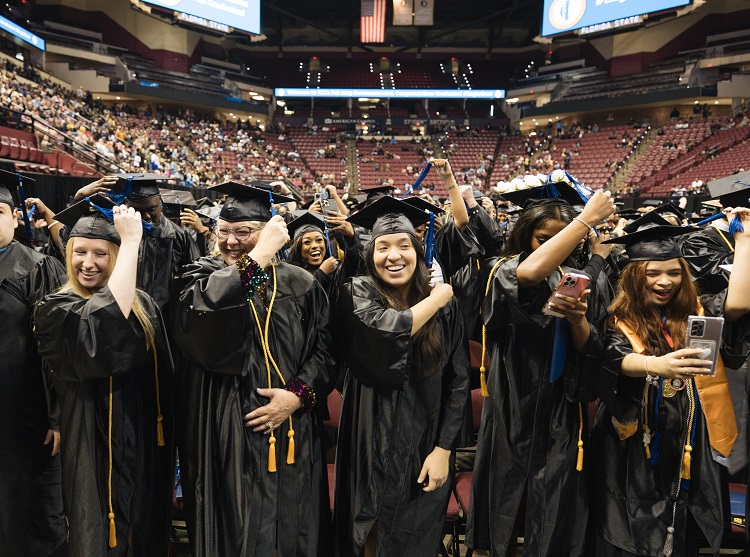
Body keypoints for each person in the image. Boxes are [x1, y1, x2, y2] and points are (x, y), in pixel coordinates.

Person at [172, 182, 334, 557]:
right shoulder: (200, 277)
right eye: (224, 231)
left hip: (291, 429)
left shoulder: (302, 283)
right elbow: (202, 315)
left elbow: (326, 351)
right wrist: (257, 254)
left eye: (243, 232)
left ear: (267, 232)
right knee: (235, 528)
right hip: (224, 426)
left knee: (292, 526)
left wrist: (297, 396)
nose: (231, 241)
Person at [589, 208, 750, 557]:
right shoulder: (618, 318)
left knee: (683, 522)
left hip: (689, 434)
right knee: (633, 525)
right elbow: (616, 358)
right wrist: (654, 364)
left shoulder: (697, 311)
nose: (665, 281)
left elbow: (739, 303)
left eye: (675, 273)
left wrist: (745, 239)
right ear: (635, 276)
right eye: (654, 273)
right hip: (634, 439)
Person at [467, 184, 616, 557]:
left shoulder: (577, 276)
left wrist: (581, 321)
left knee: (553, 497)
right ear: (524, 234)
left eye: (562, 238)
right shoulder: (503, 269)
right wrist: (585, 219)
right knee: (505, 490)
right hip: (514, 395)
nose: (552, 245)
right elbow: (531, 273)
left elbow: (592, 345)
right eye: (543, 237)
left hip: (560, 399)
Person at [34, 197, 174, 556]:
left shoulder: (144, 305)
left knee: (143, 525)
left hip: (141, 434)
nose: (89, 263)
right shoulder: (56, 307)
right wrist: (129, 244)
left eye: (102, 253)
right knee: (95, 528)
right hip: (91, 435)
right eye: (80, 252)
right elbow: (101, 333)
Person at [333, 196, 470, 557]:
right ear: (370, 254)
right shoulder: (358, 291)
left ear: (418, 249)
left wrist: (442, 450)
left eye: (403, 245)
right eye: (382, 247)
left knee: (413, 535)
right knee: (365, 531)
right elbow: (383, 332)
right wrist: (437, 300)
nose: (393, 256)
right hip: (367, 434)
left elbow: (457, 382)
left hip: (422, 438)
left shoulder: (449, 306)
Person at [0, 179, 67, 557]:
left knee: (23, 512)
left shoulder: (38, 267)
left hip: (24, 416)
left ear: (14, 216)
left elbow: (55, 350)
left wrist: (57, 416)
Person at [286, 209, 361, 299]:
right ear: (298, 248)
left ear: (326, 244)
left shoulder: (336, 272)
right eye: (307, 242)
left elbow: (355, 264)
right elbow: (302, 302)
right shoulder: (291, 276)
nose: (314, 246)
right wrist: (321, 274)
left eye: (319, 240)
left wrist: (351, 237)